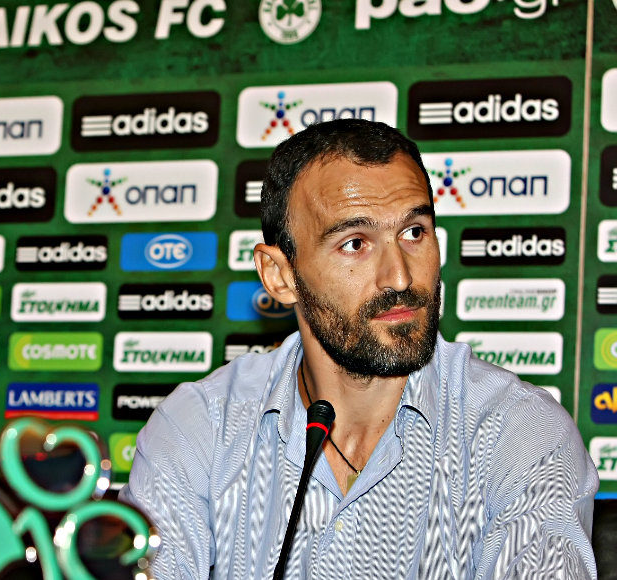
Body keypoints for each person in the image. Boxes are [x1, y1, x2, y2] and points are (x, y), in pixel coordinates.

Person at [119, 119, 598, 579]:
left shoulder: (520, 433)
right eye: (354, 243)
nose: (400, 277)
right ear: (280, 276)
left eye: (414, 232)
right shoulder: (199, 427)